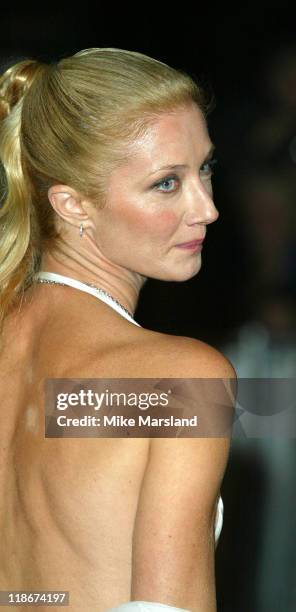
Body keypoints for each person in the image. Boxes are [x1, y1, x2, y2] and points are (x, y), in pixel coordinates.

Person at [0, 48, 237, 612]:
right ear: (72, 203)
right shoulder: (179, 380)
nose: (207, 208)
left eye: (204, 168)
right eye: (165, 184)